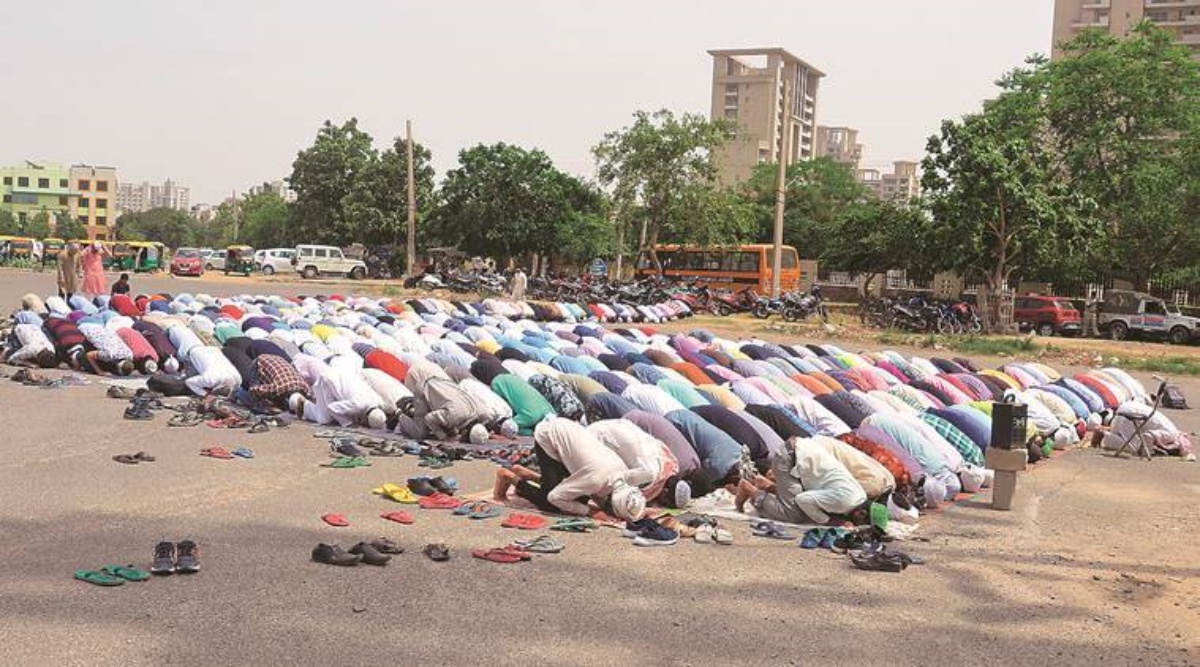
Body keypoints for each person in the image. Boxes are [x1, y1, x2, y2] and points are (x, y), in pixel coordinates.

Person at [496, 417, 648, 520]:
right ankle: (508, 476)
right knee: (550, 503)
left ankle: (529, 474)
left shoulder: (622, 472)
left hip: (566, 429)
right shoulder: (595, 481)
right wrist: (590, 511)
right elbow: (554, 498)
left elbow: (595, 488)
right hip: (549, 436)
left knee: (577, 497)